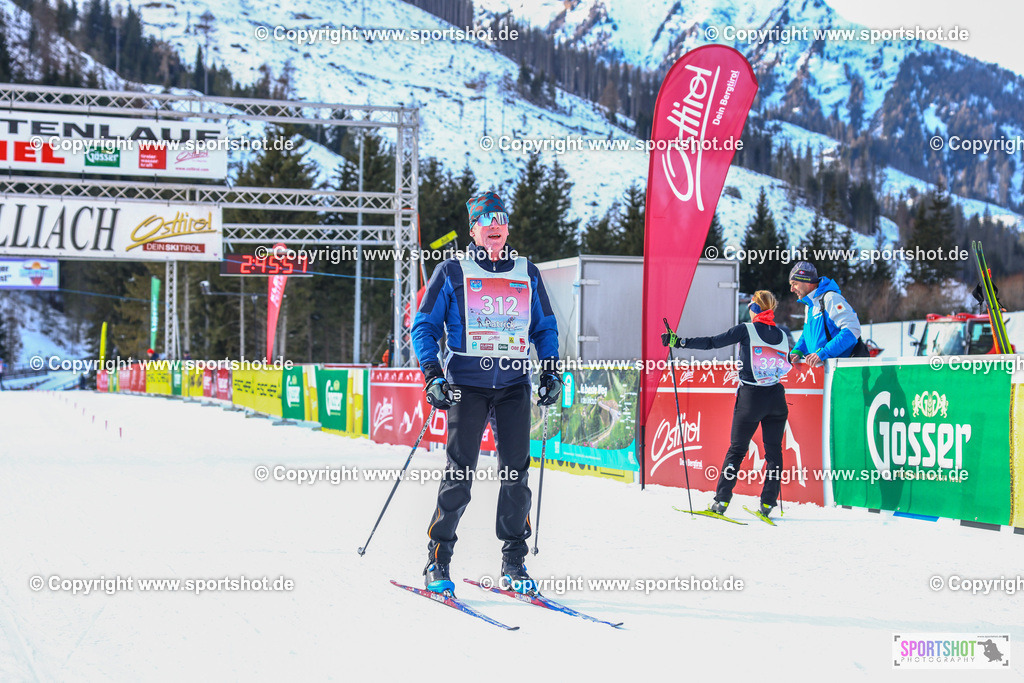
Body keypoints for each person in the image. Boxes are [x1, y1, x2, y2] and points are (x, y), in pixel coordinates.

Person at [411, 190, 561, 595]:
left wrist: (550, 372)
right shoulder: (452, 271)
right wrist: (431, 373)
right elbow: (424, 326)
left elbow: (545, 327)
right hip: (466, 384)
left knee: (516, 475)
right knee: (460, 474)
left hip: (513, 384)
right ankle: (438, 559)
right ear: (473, 229)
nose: (494, 225)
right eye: (485, 220)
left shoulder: (527, 272)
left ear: (507, 227)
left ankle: (514, 562)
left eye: (501, 217)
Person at [662, 290, 791, 519]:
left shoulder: (746, 329)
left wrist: (679, 342)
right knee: (774, 453)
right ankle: (768, 504)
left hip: (752, 397)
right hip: (776, 399)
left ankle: (721, 501)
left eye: (751, 305)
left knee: (737, 450)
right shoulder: (782, 335)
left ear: (756, 309)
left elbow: (713, 342)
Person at [787, 261, 867, 366]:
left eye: (795, 284)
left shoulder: (830, 299)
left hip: (841, 371)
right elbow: (808, 335)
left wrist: (824, 353)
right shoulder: (809, 306)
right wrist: (798, 351)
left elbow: (852, 329)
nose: (792, 289)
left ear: (807, 281)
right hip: (824, 373)